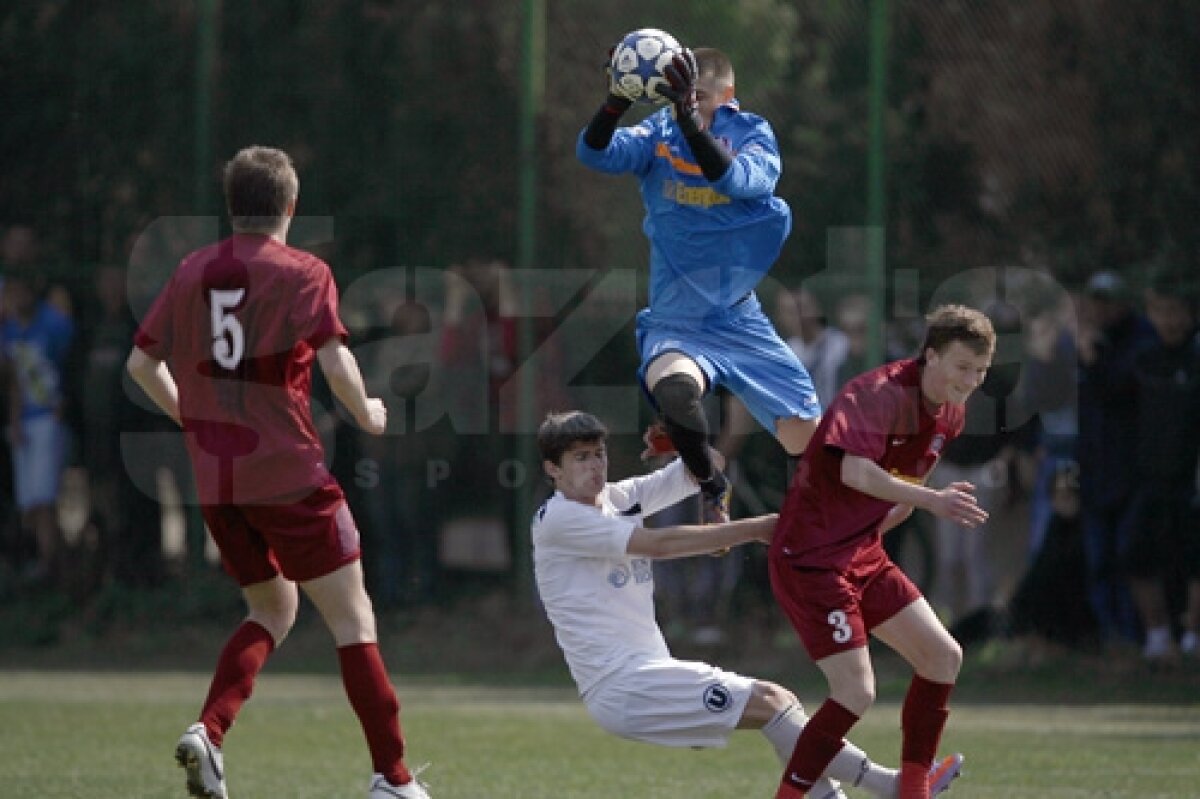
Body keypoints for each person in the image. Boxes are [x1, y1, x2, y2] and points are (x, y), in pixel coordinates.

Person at [126, 146, 430, 799]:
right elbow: (336, 361)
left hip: (218, 478)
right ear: (290, 206)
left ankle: (209, 730)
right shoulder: (303, 270)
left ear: (233, 207)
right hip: (287, 470)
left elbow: (141, 367)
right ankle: (395, 780)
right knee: (353, 618)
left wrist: (196, 421)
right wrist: (369, 411)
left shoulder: (192, 269)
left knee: (272, 604)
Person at [533, 410, 962, 799]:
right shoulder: (560, 520)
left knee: (778, 707)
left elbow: (709, 469)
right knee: (774, 703)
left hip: (644, 677)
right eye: (580, 458)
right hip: (624, 686)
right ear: (553, 469)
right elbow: (658, 545)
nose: (594, 466)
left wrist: (686, 446)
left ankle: (883, 787)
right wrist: (755, 528)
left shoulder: (617, 499)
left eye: (598, 454)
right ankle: (890, 786)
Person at [577, 44, 820, 521]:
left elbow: (733, 180)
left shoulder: (752, 134)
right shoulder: (659, 133)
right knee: (676, 392)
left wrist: (690, 121)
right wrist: (616, 101)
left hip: (738, 317)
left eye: (698, 95)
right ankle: (713, 486)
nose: (686, 103)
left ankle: (848, 514)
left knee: (805, 437)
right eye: (679, 97)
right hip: (676, 319)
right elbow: (593, 152)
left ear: (727, 96)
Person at [769, 305, 995, 799]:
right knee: (855, 692)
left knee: (942, 656)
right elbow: (856, 473)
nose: (970, 380)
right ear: (930, 355)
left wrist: (907, 506)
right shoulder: (879, 394)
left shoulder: (951, 412)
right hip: (812, 559)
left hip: (861, 555)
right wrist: (932, 500)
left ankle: (912, 790)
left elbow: (902, 492)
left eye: (980, 371)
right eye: (962, 367)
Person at [1075, 270, 1157, 646]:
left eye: (1108, 302)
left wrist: (1092, 359)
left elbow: (1117, 391)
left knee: (1131, 560)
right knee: (1099, 563)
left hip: (1133, 474)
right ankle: (1112, 639)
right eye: (1097, 302)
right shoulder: (1094, 343)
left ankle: (1136, 636)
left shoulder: (1141, 342)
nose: (1102, 310)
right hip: (1095, 473)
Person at [1128, 259, 1200, 661]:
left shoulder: (1195, 358)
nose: (1170, 320)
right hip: (1151, 478)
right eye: (1162, 311)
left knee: (1194, 561)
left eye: (1177, 311)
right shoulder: (1145, 359)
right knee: (1136, 554)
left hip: (1191, 480)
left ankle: (1193, 637)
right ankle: (1158, 637)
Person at [1, 244, 75, 587]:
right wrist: (14, 421)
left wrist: (64, 405)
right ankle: (53, 565)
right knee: (30, 505)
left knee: (44, 501)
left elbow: (70, 365)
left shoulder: (55, 324)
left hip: (49, 419)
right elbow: (14, 381)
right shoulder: (10, 332)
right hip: (25, 423)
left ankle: (53, 571)